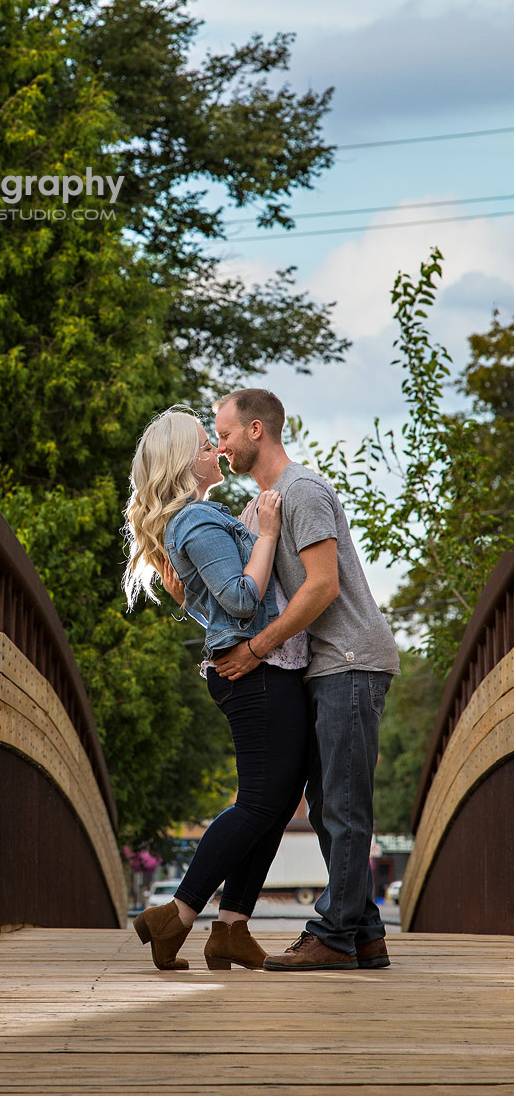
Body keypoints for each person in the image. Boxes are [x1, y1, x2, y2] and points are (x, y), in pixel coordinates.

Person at [211, 387, 400, 971]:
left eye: (225, 435)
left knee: (342, 806)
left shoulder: (304, 491)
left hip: (350, 659)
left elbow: (323, 585)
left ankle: (334, 934)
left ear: (257, 431)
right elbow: (231, 586)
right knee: (324, 807)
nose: (220, 448)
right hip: (322, 669)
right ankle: (365, 934)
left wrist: (257, 649)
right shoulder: (258, 508)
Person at [123, 408, 310, 972]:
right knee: (261, 802)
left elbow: (210, 604)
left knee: (274, 802)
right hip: (255, 673)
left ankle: (230, 927)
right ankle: (177, 915)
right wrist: (270, 533)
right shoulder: (199, 521)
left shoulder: (193, 521)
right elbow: (240, 599)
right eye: (208, 445)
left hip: (251, 671)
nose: (218, 452)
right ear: (185, 461)